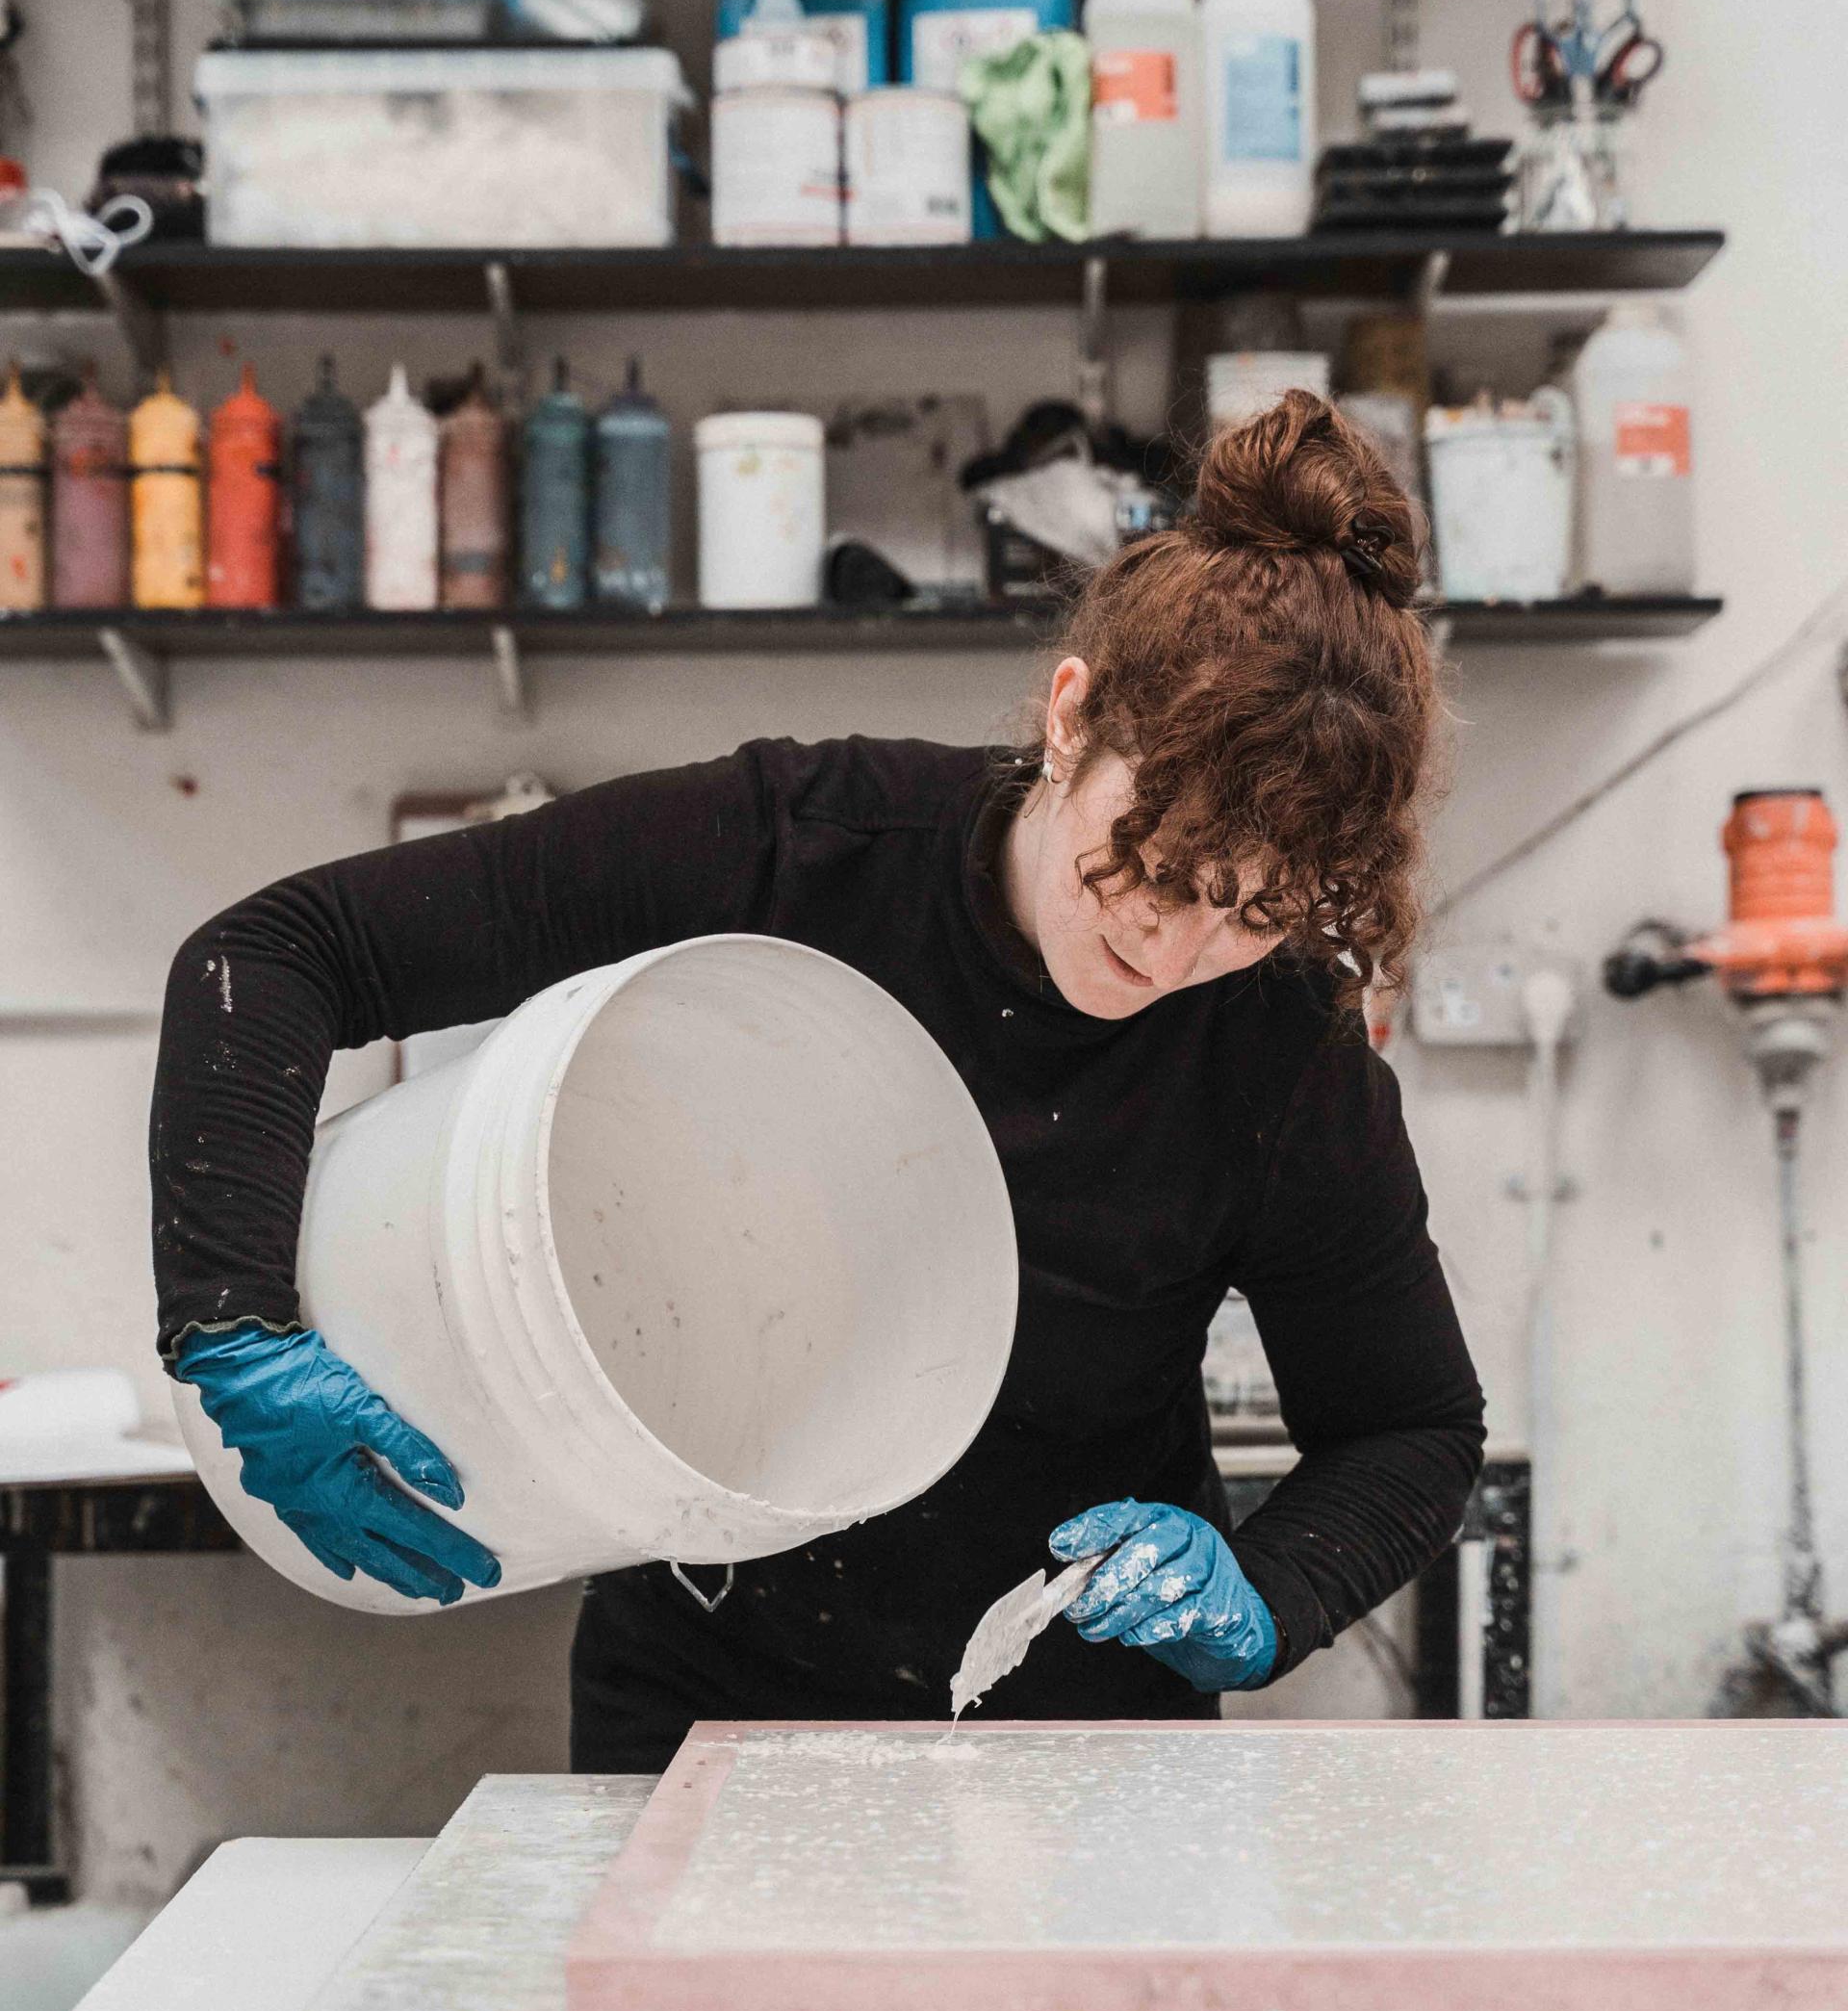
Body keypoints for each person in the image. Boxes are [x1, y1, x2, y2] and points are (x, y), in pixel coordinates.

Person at [151, 392, 1483, 1771]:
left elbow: (1411, 1426)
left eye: (1253, 913)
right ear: (1074, 717)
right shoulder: (795, 852)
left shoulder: (1276, 1043)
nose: (1176, 942)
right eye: (1150, 865)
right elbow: (273, 958)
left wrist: (1261, 1597)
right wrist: (233, 1322)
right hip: (709, 1714)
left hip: (1081, 1747)